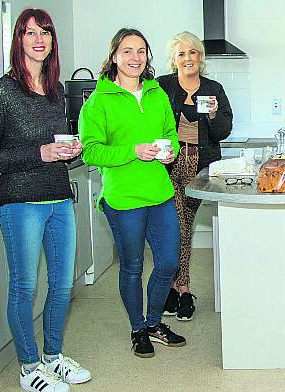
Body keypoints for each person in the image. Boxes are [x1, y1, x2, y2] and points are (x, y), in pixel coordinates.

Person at [0, 8, 91, 392]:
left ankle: (53, 358)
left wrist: (69, 151)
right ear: (18, 40)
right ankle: (28, 367)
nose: (39, 39)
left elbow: (54, 145)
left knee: (61, 286)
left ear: (52, 40)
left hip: (58, 197)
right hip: (20, 202)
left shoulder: (56, 91)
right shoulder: (2, 90)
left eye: (45, 32)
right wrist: (38, 154)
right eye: (29, 33)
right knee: (24, 286)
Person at [79, 28, 186, 358]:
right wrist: (132, 151)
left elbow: (171, 134)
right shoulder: (98, 101)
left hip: (160, 193)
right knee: (133, 266)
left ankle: (154, 322)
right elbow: (91, 152)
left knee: (168, 263)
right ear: (114, 56)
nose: (135, 58)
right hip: (123, 199)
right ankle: (138, 328)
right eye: (127, 51)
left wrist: (171, 152)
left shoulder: (157, 95)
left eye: (141, 51)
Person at [156, 31, 233, 321]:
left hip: (199, 167)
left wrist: (213, 115)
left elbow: (223, 132)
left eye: (193, 53)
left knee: (182, 226)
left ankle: (176, 289)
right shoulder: (162, 87)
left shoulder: (214, 88)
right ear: (173, 60)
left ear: (200, 57)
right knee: (179, 227)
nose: (188, 59)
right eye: (181, 54)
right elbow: (151, 122)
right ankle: (183, 289)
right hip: (168, 166)